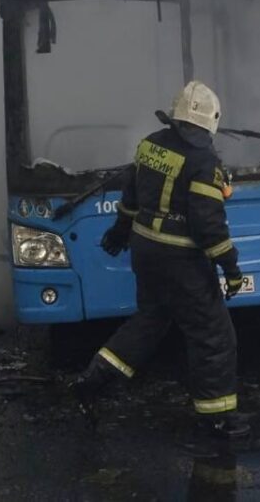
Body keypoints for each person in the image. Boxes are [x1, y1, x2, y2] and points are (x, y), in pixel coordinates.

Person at [72, 80, 249, 439]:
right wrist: (231, 269)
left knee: (150, 320)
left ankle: (94, 378)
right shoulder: (203, 161)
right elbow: (208, 226)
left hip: (145, 251)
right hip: (181, 261)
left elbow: (131, 197)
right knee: (214, 335)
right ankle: (217, 419)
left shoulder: (150, 145)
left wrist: (120, 231)